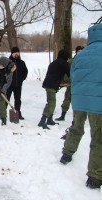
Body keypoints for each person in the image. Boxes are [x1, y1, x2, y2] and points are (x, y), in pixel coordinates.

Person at [60, 23, 102, 189]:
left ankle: (66, 154)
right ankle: (95, 176)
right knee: (98, 138)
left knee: (77, 127)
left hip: (79, 100)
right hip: (98, 102)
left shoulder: (80, 55)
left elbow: (72, 77)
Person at [37, 49, 70, 129]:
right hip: (51, 85)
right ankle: (42, 121)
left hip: (49, 84)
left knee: (51, 102)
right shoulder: (64, 63)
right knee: (51, 103)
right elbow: (69, 74)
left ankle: (49, 119)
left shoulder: (54, 62)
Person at [55, 45, 84, 121]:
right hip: (71, 84)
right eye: (78, 51)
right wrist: (66, 81)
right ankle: (62, 115)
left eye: (81, 51)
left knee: (78, 102)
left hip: (80, 85)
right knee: (67, 100)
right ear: (76, 52)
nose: (80, 53)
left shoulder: (85, 61)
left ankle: (76, 119)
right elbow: (66, 72)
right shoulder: (71, 61)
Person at [7, 47, 28, 120]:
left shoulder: (22, 63)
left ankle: (18, 113)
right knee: (6, 99)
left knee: (18, 100)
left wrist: (21, 79)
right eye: (14, 52)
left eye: (17, 52)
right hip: (8, 85)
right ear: (12, 53)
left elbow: (25, 72)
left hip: (18, 85)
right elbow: (3, 72)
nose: (16, 54)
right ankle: (3, 114)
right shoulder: (7, 62)